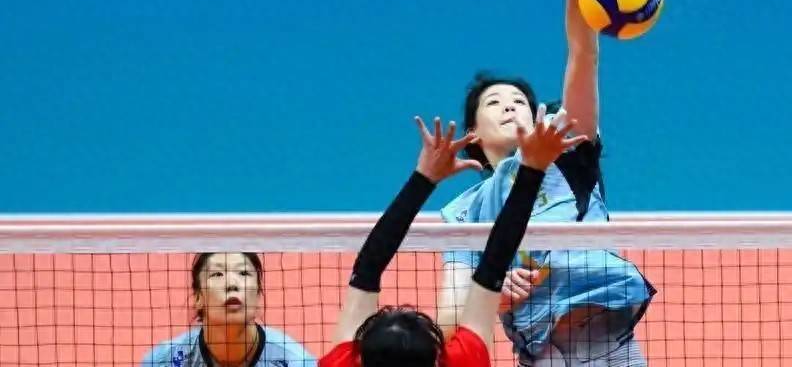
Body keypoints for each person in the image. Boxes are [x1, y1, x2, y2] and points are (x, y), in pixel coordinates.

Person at [436, 0, 656, 367]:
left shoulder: (567, 151)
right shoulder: (463, 213)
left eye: (519, 100)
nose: (509, 105)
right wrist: (493, 294)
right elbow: (450, 320)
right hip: (543, 356)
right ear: (473, 134)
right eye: (494, 103)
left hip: (614, 348)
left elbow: (582, 53)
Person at [320, 110, 587, 367]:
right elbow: (494, 263)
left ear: (360, 359)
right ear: (436, 359)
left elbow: (368, 268)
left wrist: (424, 177)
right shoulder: (464, 361)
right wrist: (424, 178)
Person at [142, 252, 317, 367]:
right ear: (198, 297)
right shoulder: (164, 361)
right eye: (217, 274)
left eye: (243, 273)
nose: (232, 284)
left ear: (258, 296)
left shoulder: (295, 361)